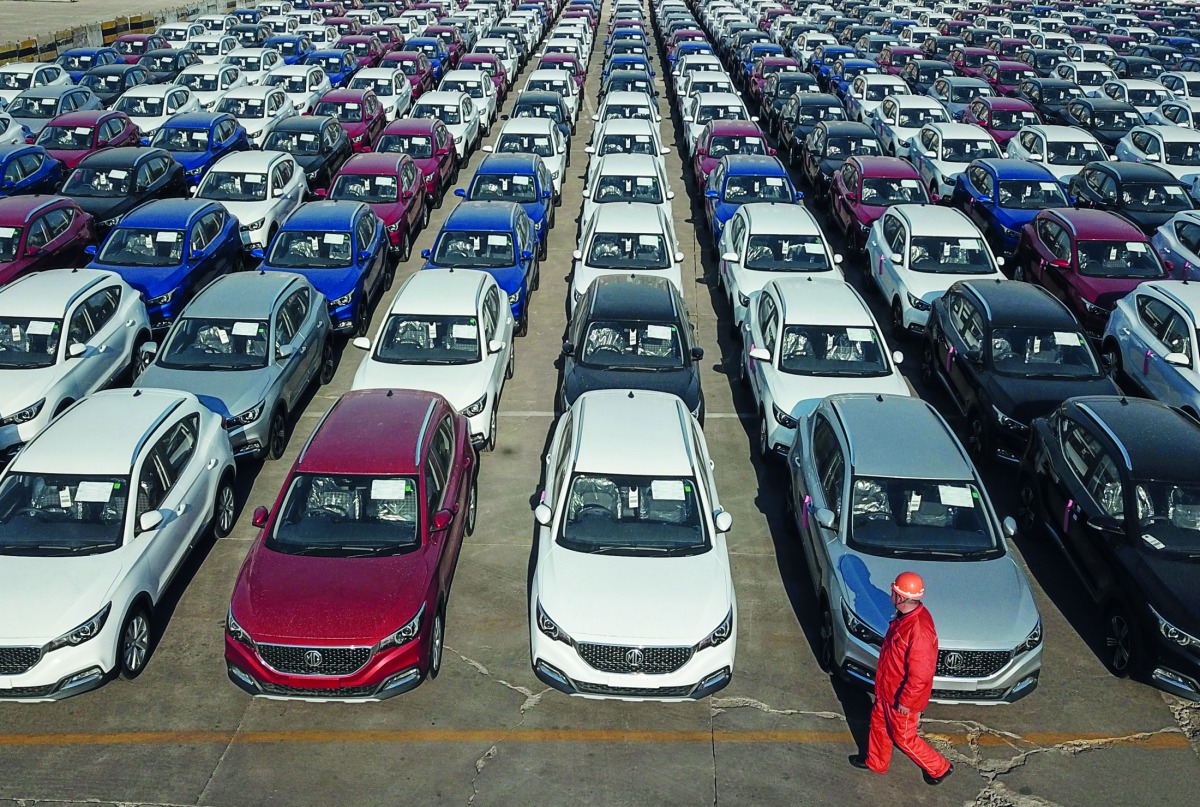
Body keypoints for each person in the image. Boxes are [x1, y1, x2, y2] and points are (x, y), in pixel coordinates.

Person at [849, 572, 953, 786]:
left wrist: (906, 701)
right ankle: (876, 762)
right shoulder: (905, 617)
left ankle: (939, 768)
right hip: (887, 688)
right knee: (878, 724)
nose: (891, 594)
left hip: (902, 698)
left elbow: (921, 674)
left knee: (904, 737)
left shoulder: (919, 630)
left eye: (894, 592)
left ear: (901, 598)